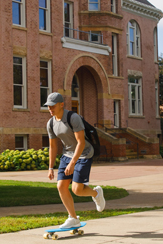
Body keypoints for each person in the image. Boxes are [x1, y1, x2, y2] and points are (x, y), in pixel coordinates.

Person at [45, 92, 105, 229]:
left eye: (53, 106)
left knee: (77, 190)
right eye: (48, 106)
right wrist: (50, 168)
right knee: (61, 186)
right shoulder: (51, 123)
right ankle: (73, 218)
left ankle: (96, 193)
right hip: (67, 154)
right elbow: (53, 146)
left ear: (61, 104)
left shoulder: (73, 118)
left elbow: (81, 142)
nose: (50, 109)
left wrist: (73, 163)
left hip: (83, 153)